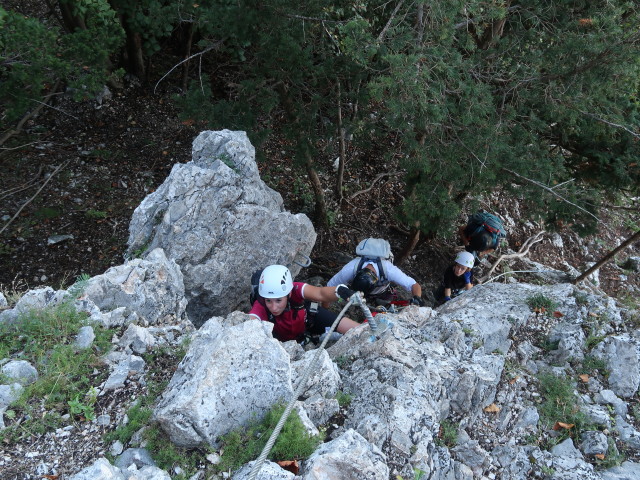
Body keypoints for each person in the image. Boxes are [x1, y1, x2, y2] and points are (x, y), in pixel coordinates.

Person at [248, 264, 361, 342]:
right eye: (268, 300)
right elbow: (249, 324)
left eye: (278, 300)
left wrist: (339, 291)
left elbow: (321, 293)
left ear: (289, 294)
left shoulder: (295, 289)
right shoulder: (260, 304)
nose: (274, 307)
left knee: (360, 330)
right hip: (284, 341)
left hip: (308, 322)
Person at [326, 250, 424, 306]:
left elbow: (414, 285)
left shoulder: (389, 270)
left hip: (382, 291)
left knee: (385, 303)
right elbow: (328, 288)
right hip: (358, 291)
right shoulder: (351, 269)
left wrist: (416, 299)